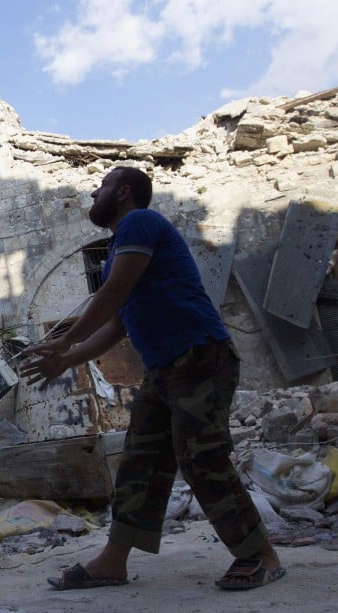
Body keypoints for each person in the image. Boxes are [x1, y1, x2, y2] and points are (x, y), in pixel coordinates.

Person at [21, 166, 284, 591]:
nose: (93, 192)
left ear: (124, 192)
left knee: (202, 459)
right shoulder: (120, 253)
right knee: (139, 462)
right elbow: (116, 326)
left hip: (200, 357)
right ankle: (113, 561)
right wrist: (65, 359)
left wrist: (62, 341)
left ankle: (261, 556)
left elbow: (112, 297)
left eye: (101, 187)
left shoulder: (140, 222)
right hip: (164, 371)